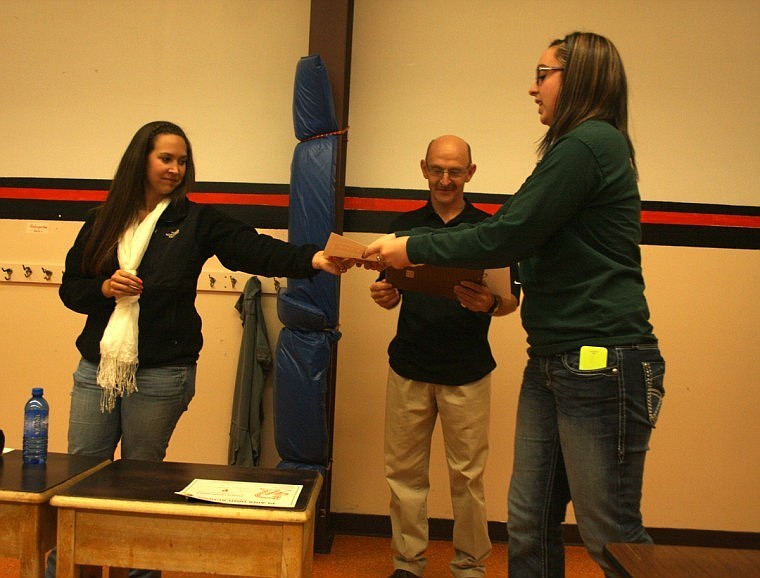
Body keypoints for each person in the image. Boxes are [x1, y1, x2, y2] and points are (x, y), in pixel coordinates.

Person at [363, 33, 666, 577]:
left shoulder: (589, 144)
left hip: (600, 360)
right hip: (552, 359)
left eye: (543, 73)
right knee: (527, 519)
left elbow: (506, 235)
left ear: (579, 79)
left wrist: (409, 246)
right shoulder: (570, 149)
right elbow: (521, 237)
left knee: (609, 532)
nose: (533, 86)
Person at [46, 120, 348, 578]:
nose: (175, 168)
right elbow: (71, 289)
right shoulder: (103, 219)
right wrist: (105, 288)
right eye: (165, 158)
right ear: (140, 161)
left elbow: (254, 250)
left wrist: (312, 259)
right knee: (81, 478)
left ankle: (138, 570)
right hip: (99, 366)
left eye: (182, 160)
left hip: (161, 372)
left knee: (137, 484)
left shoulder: (195, 220)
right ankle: (76, 569)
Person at [372, 135, 520, 578]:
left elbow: (512, 300)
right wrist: (384, 294)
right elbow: (388, 288)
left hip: (467, 371)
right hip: (409, 367)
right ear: (423, 169)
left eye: (455, 171)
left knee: (468, 480)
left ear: (471, 173)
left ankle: (471, 567)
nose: (445, 179)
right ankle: (408, 564)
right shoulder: (403, 228)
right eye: (437, 169)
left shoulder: (491, 231)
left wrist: (490, 305)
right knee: (403, 476)